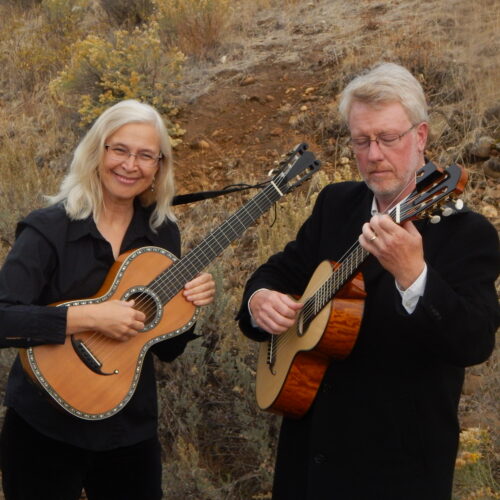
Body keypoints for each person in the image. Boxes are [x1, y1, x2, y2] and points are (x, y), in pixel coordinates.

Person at [237, 63, 499, 500]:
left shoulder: (466, 233)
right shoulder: (337, 203)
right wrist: (259, 299)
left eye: (388, 138)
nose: (374, 154)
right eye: (362, 140)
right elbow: (278, 270)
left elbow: (473, 342)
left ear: (420, 137)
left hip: (395, 472)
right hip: (308, 461)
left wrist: (414, 275)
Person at [0, 99, 215, 500]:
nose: (130, 165)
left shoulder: (161, 232)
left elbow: (165, 348)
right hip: (45, 426)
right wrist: (89, 318)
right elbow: (4, 319)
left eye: (145, 155)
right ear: (96, 152)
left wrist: (188, 303)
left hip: (129, 432)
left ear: (158, 167)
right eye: (119, 149)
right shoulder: (48, 230)